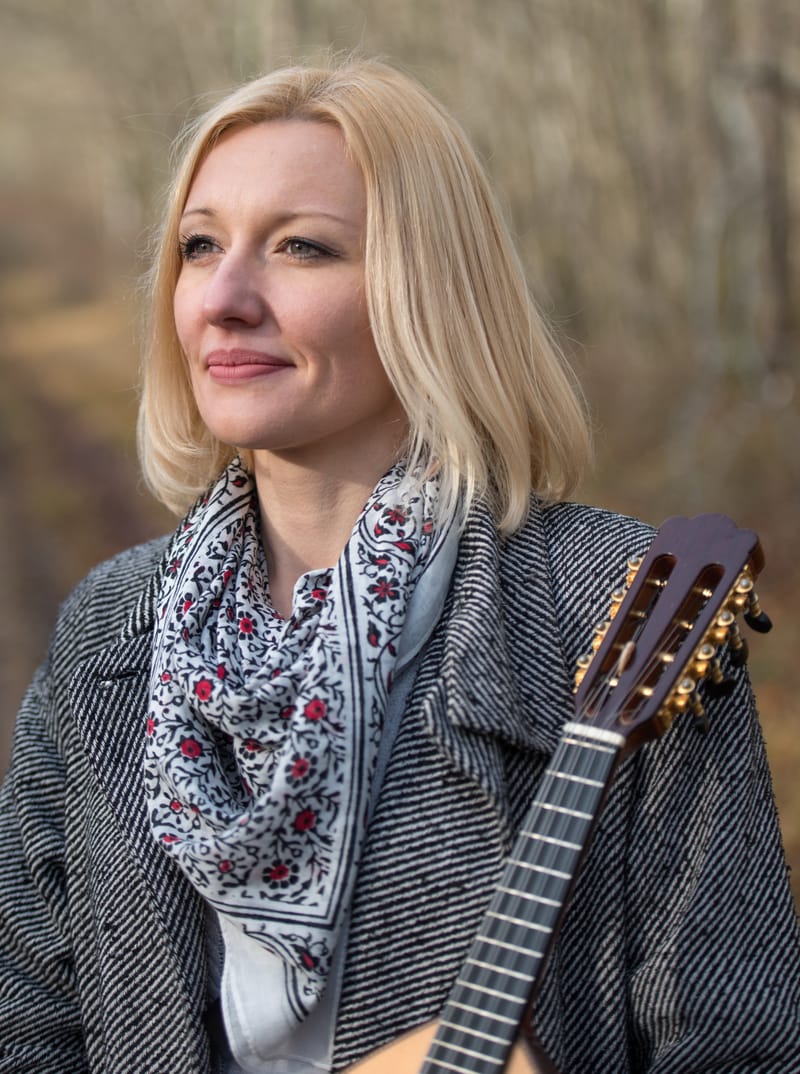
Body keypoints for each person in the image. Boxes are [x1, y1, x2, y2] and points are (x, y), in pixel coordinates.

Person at [0, 56, 797, 1074]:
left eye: (301, 248)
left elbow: (740, 1046)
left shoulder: (615, 603)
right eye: (200, 247)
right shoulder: (111, 628)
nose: (226, 298)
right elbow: (31, 1027)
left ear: (429, 291)